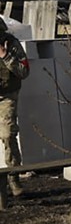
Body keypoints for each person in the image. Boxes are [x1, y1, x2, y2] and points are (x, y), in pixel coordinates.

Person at [0, 16, 29, 197]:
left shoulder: (11, 44)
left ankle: (13, 176)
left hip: (6, 97)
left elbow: (24, 71)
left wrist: (5, 56)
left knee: (8, 135)